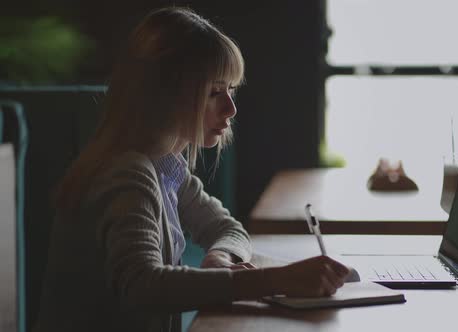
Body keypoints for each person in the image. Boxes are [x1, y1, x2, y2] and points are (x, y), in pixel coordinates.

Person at [34, 7, 350, 332]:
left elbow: (229, 229)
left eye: (231, 89)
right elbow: (143, 285)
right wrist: (272, 280)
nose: (231, 107)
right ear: (162, 95)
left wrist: (221, 259)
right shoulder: (127, 174)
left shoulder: (167, 168)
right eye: (214, 92)